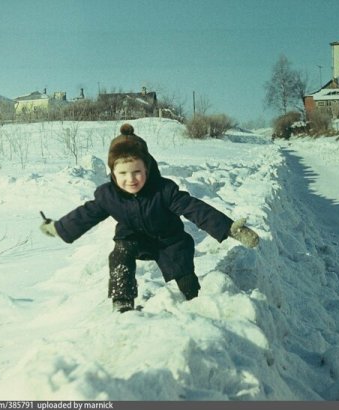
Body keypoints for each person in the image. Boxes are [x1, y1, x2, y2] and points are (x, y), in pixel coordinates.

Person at [40, 123, 259, 312]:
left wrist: (230, 228)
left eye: (137, 172)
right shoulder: (109, 195)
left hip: (169, 240)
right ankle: (122, 303)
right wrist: (58, 228)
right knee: (119, 255)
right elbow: (85, 215)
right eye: (123, 173)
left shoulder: (164, 190)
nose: (130, 179)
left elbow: (194, 208)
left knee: (183, 274)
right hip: (133, 238)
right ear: (113, 174)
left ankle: (192, 300)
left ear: (148, 168)